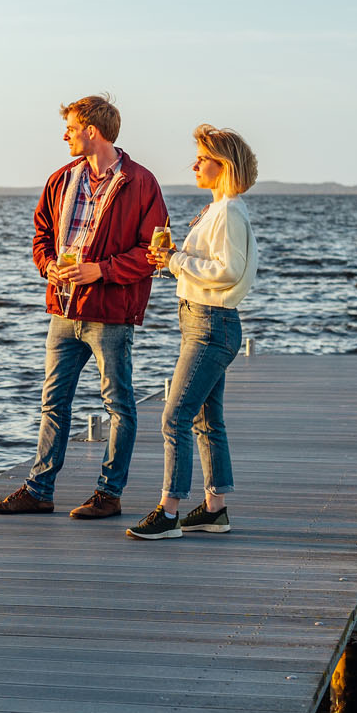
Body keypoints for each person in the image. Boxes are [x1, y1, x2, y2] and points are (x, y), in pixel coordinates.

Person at [0, 94, 167, 520]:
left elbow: (154, 251)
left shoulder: (141, 182)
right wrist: (48, 266)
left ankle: (109, 494)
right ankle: (39, 490)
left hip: (110, 313)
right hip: (63, 310)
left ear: (92, 130)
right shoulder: (60, 179)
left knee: (119, 405)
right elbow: (41, 236)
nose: (64, 134)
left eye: (70, 126)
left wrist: (101, 271)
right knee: (53, 401)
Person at [128, 124, 258, 540]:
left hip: (210, 324)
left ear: (222, 165)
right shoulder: (218, 209)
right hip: (205, 320)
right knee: (206, 417)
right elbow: (208, 269)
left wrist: (178, 260)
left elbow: (229, 271)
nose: (195, 164)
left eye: (202, 158)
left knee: (175, 416)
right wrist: (170, 261)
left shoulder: (227, 212)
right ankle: (215, 508)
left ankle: (169, 512)